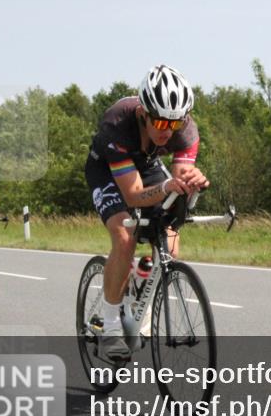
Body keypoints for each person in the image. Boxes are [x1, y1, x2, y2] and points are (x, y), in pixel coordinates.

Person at [85, 65, 209, 361]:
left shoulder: (185, 130)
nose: (168, 131)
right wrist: (168, 186)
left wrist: (190, 182)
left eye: (175, 124)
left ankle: (142, 281)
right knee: (124, 237)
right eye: (161, 124)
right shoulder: (118, 123)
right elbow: (133, 195)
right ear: (144, 113)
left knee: (171, 243)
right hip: (108, 169)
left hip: (146, 165)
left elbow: (178, 178)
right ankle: (111, 326)